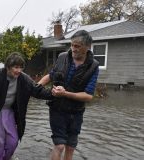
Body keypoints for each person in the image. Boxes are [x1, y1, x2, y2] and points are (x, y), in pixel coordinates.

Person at [38, 30, 99, 160]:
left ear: (87, 47)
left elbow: (88, 96)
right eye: (72, 45)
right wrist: (36, 88)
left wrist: (65, 93)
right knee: (59, 145)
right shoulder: (62, 57)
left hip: (76, 112)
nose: (73, 49)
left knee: (70, 147)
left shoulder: (93, 66)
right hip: (57, 109)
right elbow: (50, 75)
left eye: (77, 46)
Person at [0, 52, 53, 160]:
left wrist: (53, 93)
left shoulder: (24, 78)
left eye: (21, 67)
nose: (19, 70)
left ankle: (6, 158)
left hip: (10, 112)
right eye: (16, 67)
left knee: (13, 141)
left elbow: (36, 91)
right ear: (8, 67)